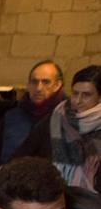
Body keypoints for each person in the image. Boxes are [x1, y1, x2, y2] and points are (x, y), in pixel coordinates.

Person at [14, 64, 101, 192]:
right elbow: (21, 157)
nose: (78, 101)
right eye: (75, 93)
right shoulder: (56, 118)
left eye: (86, 95)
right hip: (51, 194)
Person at [0, 60, 65, 176]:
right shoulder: (12, 117)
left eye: (46, 82)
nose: (39, 88)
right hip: (12, 186)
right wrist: (4, 171)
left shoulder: (67, 118)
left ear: (57, 85)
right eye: (34, 82)